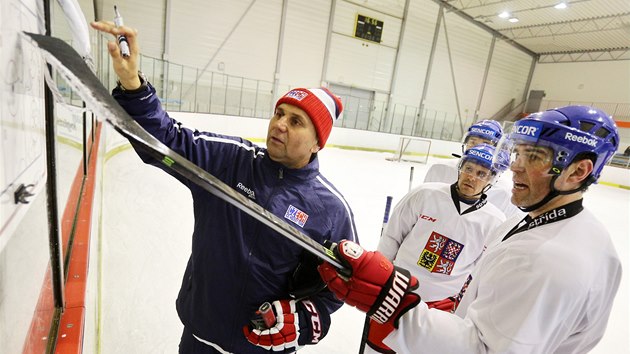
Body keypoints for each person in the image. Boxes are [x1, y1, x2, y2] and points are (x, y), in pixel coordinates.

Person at [90, 21, 359, 353]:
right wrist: (132, 83)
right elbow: (165, 141)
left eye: (295, 121)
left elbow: (343, 284)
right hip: (201, 336)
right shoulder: (230, 161)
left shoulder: (330, 210)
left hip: (264, 347)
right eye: (279, 113)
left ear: (318, 143)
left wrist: (305, 319)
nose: (279, 125)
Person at [319, 105, 621, 353]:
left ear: (578, 171)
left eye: (535, 156)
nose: (515, 166)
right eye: (519, 152)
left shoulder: (550, 261)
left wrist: (393, 304)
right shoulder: (542, 224)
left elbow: (484, 348)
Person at [362, 143, 509, 353]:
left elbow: (479, 272)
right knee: (376, 349)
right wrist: (379, 280)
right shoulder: (425, 194)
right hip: (397, 291)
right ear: (460, 168)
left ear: (491, 180)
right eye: (468, 168)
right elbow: (391, 238)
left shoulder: (495, 221)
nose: (472, 177)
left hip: (442, 306)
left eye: (481, 173)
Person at [424, 120, 523, 219]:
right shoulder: (439, 169)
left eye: (487, 144)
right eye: (472, 142)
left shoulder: (505, 193)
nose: (478, 148)